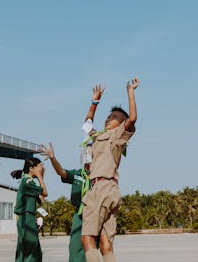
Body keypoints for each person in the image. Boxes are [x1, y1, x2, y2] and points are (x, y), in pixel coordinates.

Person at [81, 78, 139, 262]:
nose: (108, 118)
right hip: (111, 190)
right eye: (108, 115)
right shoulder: (100, 136)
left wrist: (130, 91)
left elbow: (132, 119)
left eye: (114, 117)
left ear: (121, 123)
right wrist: (94, 103)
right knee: (106, 242)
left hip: (102, 187)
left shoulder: (117, 136)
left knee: (87, 238)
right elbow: (87, 125)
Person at [11, 158, 48, 262]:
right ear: (32, 169)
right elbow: (45, 192)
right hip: (26, 218)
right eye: (40, 167)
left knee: (28, 249)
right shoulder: (27, 182)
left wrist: (41, 177)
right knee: (31, 250)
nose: (42, 169)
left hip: (28, 217)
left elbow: (41, 199)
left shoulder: (30, 183)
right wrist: (40, 177)